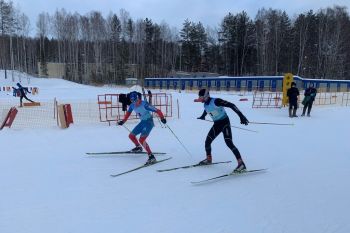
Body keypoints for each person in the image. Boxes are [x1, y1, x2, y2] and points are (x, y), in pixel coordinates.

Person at [195, 88, 249, 173]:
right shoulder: (205, 104)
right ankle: (209, 159)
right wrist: (203, 116)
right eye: (199, 97)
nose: (200, 98)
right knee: (207, 141)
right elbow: (207, 109)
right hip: (217, 124)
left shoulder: (216, 101)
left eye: (201, 97)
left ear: (206, 96)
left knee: (229, 143)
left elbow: (232, 105)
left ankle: (241, 164)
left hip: (225, 123)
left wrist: (241, 116)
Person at [117, 91, 167, 165]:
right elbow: (127, 114)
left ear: (138, 98)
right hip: (142, 122)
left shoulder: (145, 104)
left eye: (136, 100)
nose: (135, 102)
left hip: (149, 123)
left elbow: (158, 111)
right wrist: (123, 121)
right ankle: (138, 147)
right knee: (131, 136)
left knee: (142, 139)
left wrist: (162, 118)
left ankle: (151, 157)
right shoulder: (132, 105)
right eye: (133, 101)